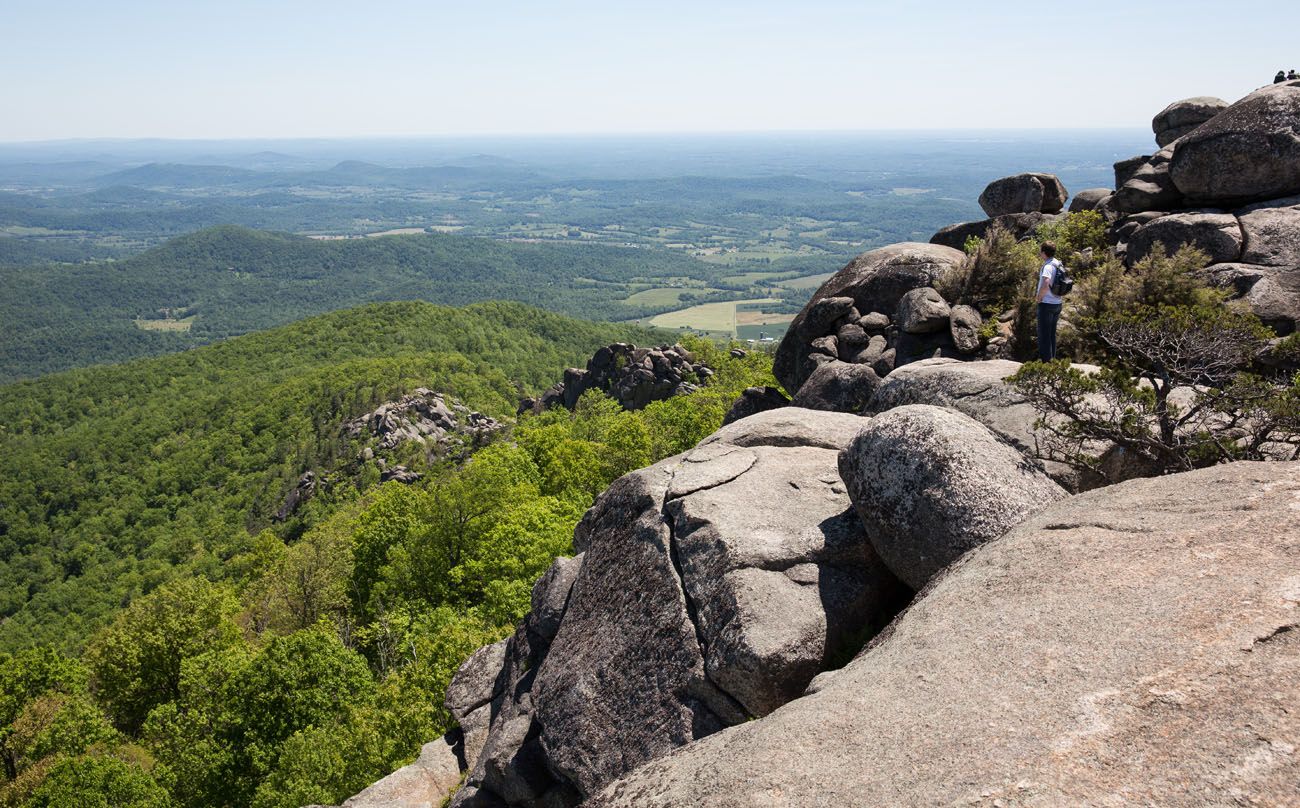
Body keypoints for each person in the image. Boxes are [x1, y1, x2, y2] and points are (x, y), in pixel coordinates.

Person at [1035, 242, 1064, 362]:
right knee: (1051, 334)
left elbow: (1046, 283)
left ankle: (1046, 364)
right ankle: (1053, 361)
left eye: (1040, 251)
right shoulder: (1058, 263)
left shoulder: (1047, 266)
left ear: (1044, 252)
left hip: (1046, 303)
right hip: (1057, 303)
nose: (1040, 253)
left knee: (1044, 336)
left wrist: (1039, 297)